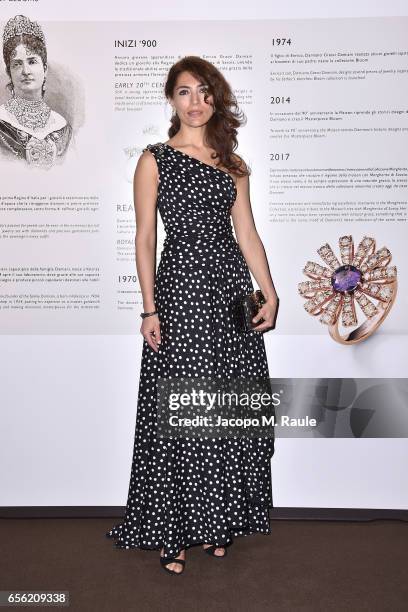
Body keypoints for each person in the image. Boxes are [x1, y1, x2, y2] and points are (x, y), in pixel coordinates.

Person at [106, 56, 279, 575]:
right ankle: (173, 528)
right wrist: (150, 308)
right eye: (185, 92)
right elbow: (144, 239)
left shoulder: (233, 163)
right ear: (171, 99)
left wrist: (268, 295)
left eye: (204, 92)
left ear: (215, 98)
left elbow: (246, 234)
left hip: (228, 295)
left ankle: (218, 520)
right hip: (181, 295)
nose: (196, 102)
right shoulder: (154, 158)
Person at [0, 15, 72, 168]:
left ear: (44, 69)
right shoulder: (2, 124)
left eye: (32, 62)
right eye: (17, 64)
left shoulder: (62, 127)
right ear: (9, 73)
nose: (26, 71)